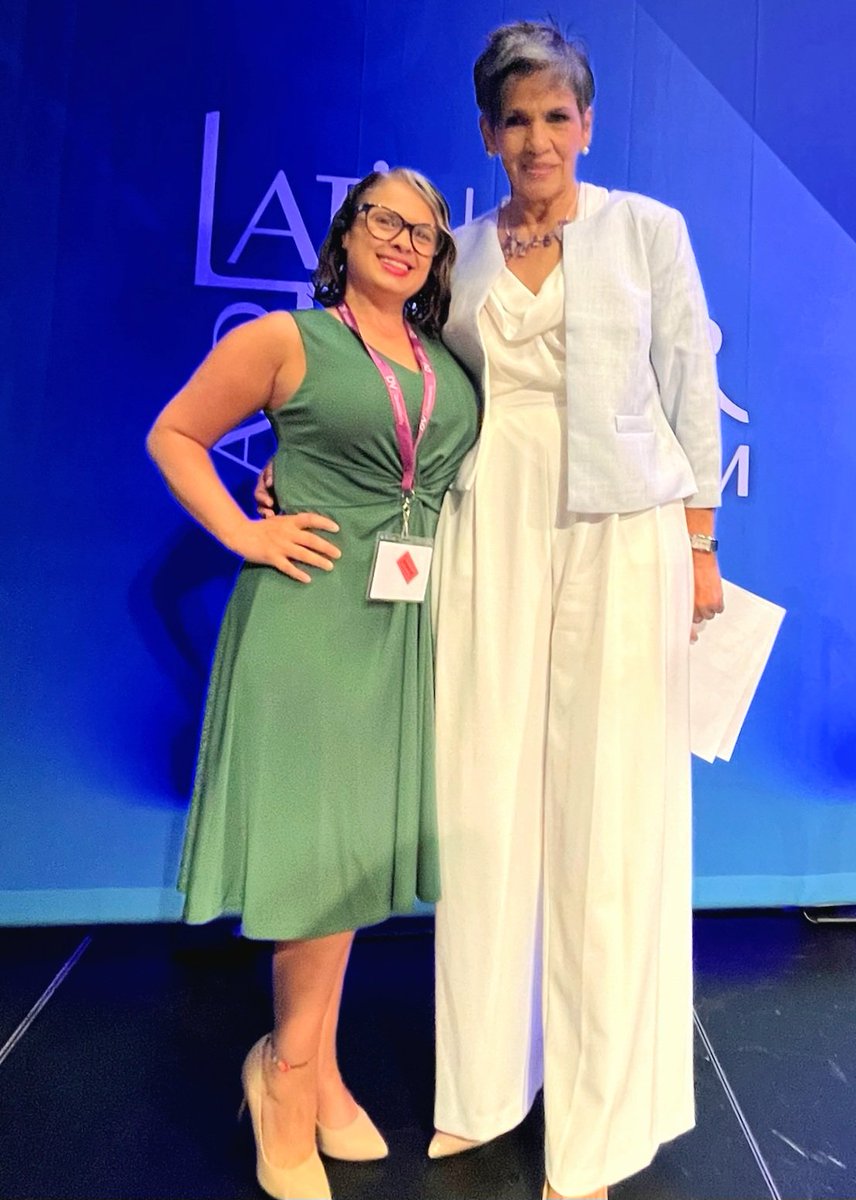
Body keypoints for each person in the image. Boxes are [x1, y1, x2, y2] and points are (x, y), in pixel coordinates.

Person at [426, 21, 724, 1200]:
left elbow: (688, 387)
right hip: (488, 531)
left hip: (620, 536)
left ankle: (594, 1134)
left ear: (586, 127)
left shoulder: (647, 231)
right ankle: (483, 1088)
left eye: (557, 117)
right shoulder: (456, 250)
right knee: (484, 808)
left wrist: (699, 543)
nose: (537, 138)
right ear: (489, 133)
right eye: (516, 119)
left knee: (604, 824)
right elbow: (417, 393)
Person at [147, 168, 479, 1200]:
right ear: (346, 234)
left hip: (402, 630)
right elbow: (174, 434)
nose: (403, 240)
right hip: (308, 622)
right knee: (318, 858)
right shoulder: (289, 338)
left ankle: (317, 1064)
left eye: (423, 232)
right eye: (383, 218)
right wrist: (247, 528)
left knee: (355, 859)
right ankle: (284, 1082)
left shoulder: (442, 361)